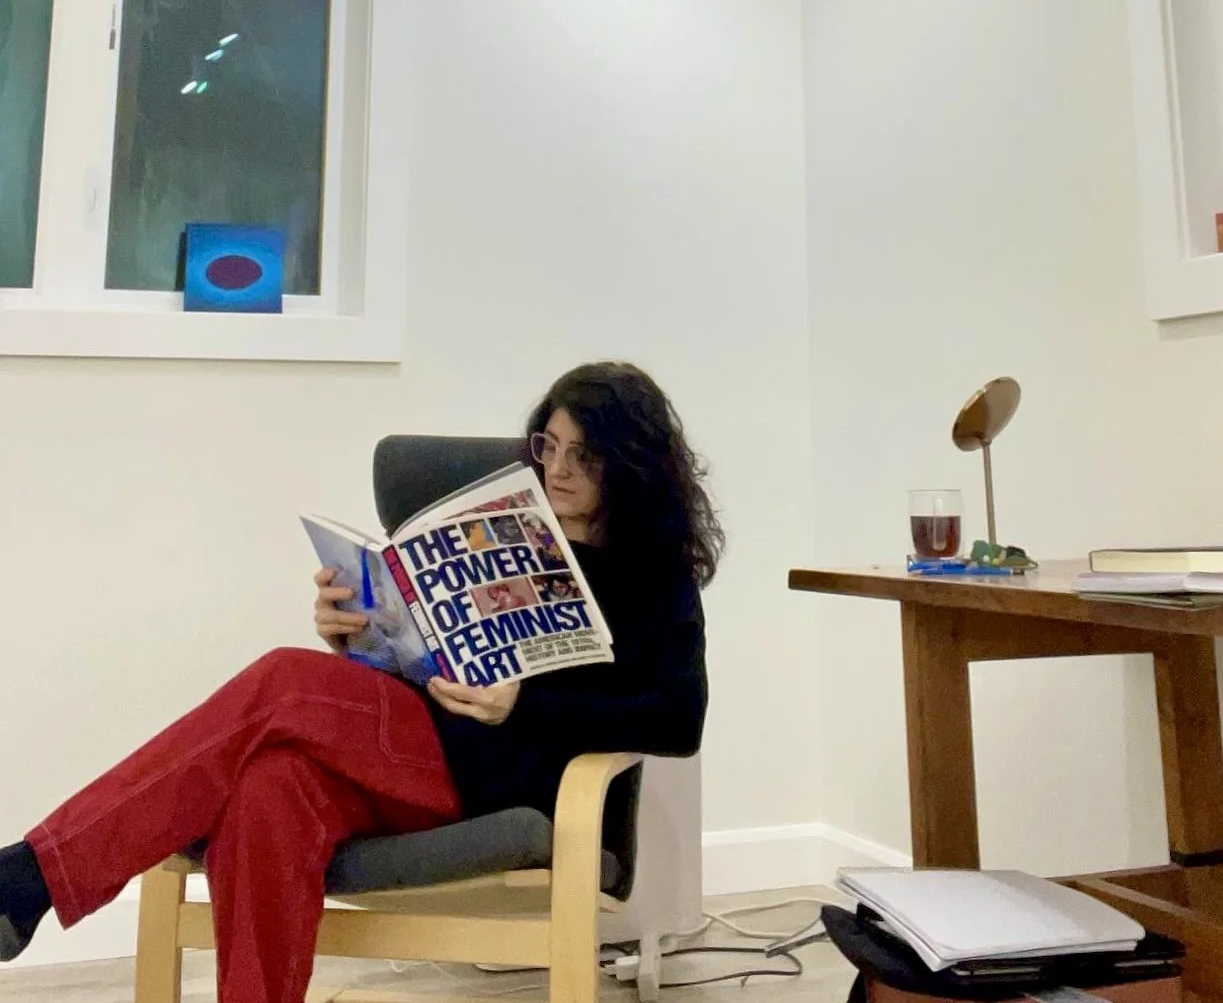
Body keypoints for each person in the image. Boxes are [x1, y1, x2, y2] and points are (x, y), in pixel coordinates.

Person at [0, 361, 722, 1003]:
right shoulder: (505, 531)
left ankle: (31, 876)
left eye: (584, 455)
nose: (559, 469)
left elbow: (678, 718)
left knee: (284, 679)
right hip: (416, 745)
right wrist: (357, 632)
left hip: (506, 778)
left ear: (630, 463)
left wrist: (525, 703)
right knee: (269, 786)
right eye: (548, 446)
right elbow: (414, 658)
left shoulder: (656, 575)